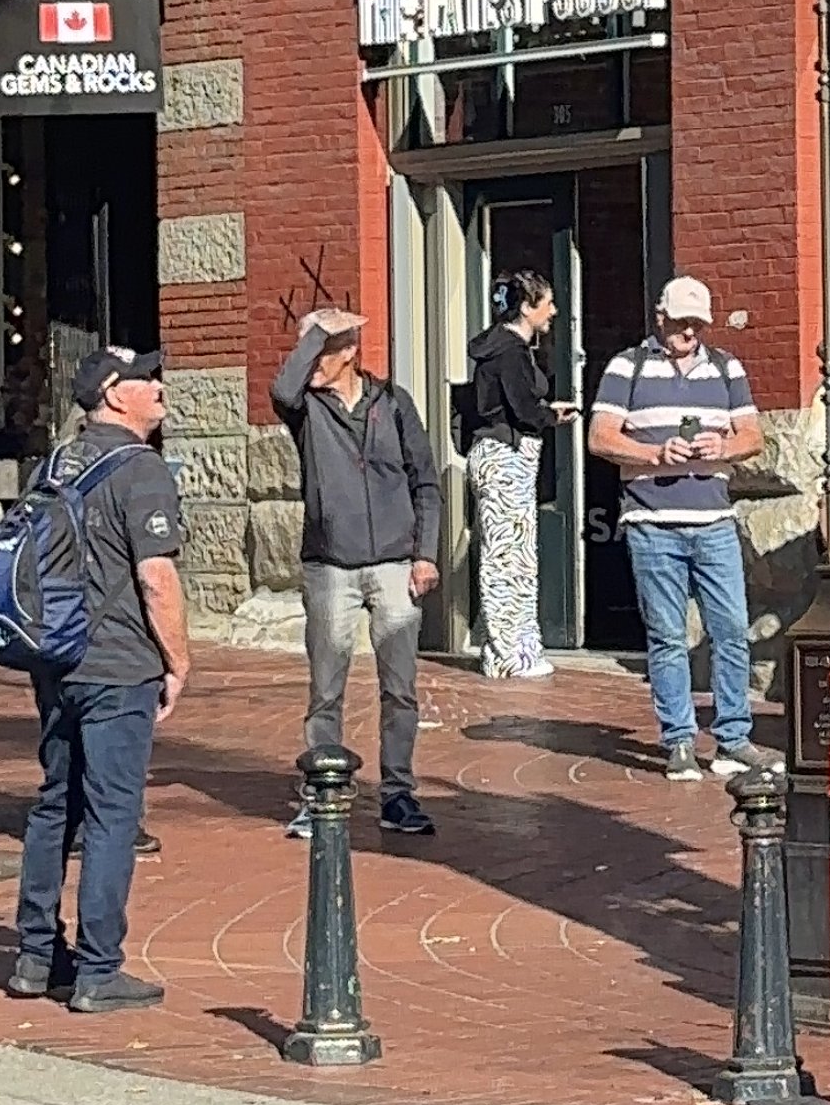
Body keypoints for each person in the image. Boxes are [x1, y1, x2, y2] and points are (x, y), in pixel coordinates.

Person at [8, 345, 188, 1014]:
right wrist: (178, 662)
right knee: (114, 814)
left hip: (55, 659)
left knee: (57, 801)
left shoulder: (54, 464)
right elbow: (156, 578)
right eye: (148, 378)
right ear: (116, 393)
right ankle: (98, 969)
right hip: (117, 666)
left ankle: (34, 956)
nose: (159, 385)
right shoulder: (142, 470)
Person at [272, 311, 443, 838]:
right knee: (326, 688)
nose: (309, 362)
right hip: (330, 567)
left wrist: (426, 554)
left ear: (349, 351)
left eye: (320, 349)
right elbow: (282, 386)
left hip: (395, 563)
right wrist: (318, 336)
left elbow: (426, 482)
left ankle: (398, 794)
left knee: (400, 688)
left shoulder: (392, 403)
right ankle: (321, 795)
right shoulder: (306, 409)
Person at [589, 275, 761, 784]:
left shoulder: (726, 366)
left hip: (714, 521)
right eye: (681, 321)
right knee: (666, 637)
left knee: (731, 632)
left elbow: (753, 434)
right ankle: (679, 741)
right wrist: (654, 455)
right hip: (652, 523)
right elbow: (601, 437)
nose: (689, 331)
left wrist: (723, 448)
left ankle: (733, 737)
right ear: (659, 317)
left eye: (697, 323)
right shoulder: (628, 365)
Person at [465, 271, 569, 682]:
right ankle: (513, 654)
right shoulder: (510, 352)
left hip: (501, 453)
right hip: (505, 455)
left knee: (509, 553)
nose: (554, 312)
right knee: (509, 558)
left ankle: (505, 651)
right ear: (527, 307)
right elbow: (524, 409)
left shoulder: (500, 349)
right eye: (548, 303)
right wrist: (551, 415)